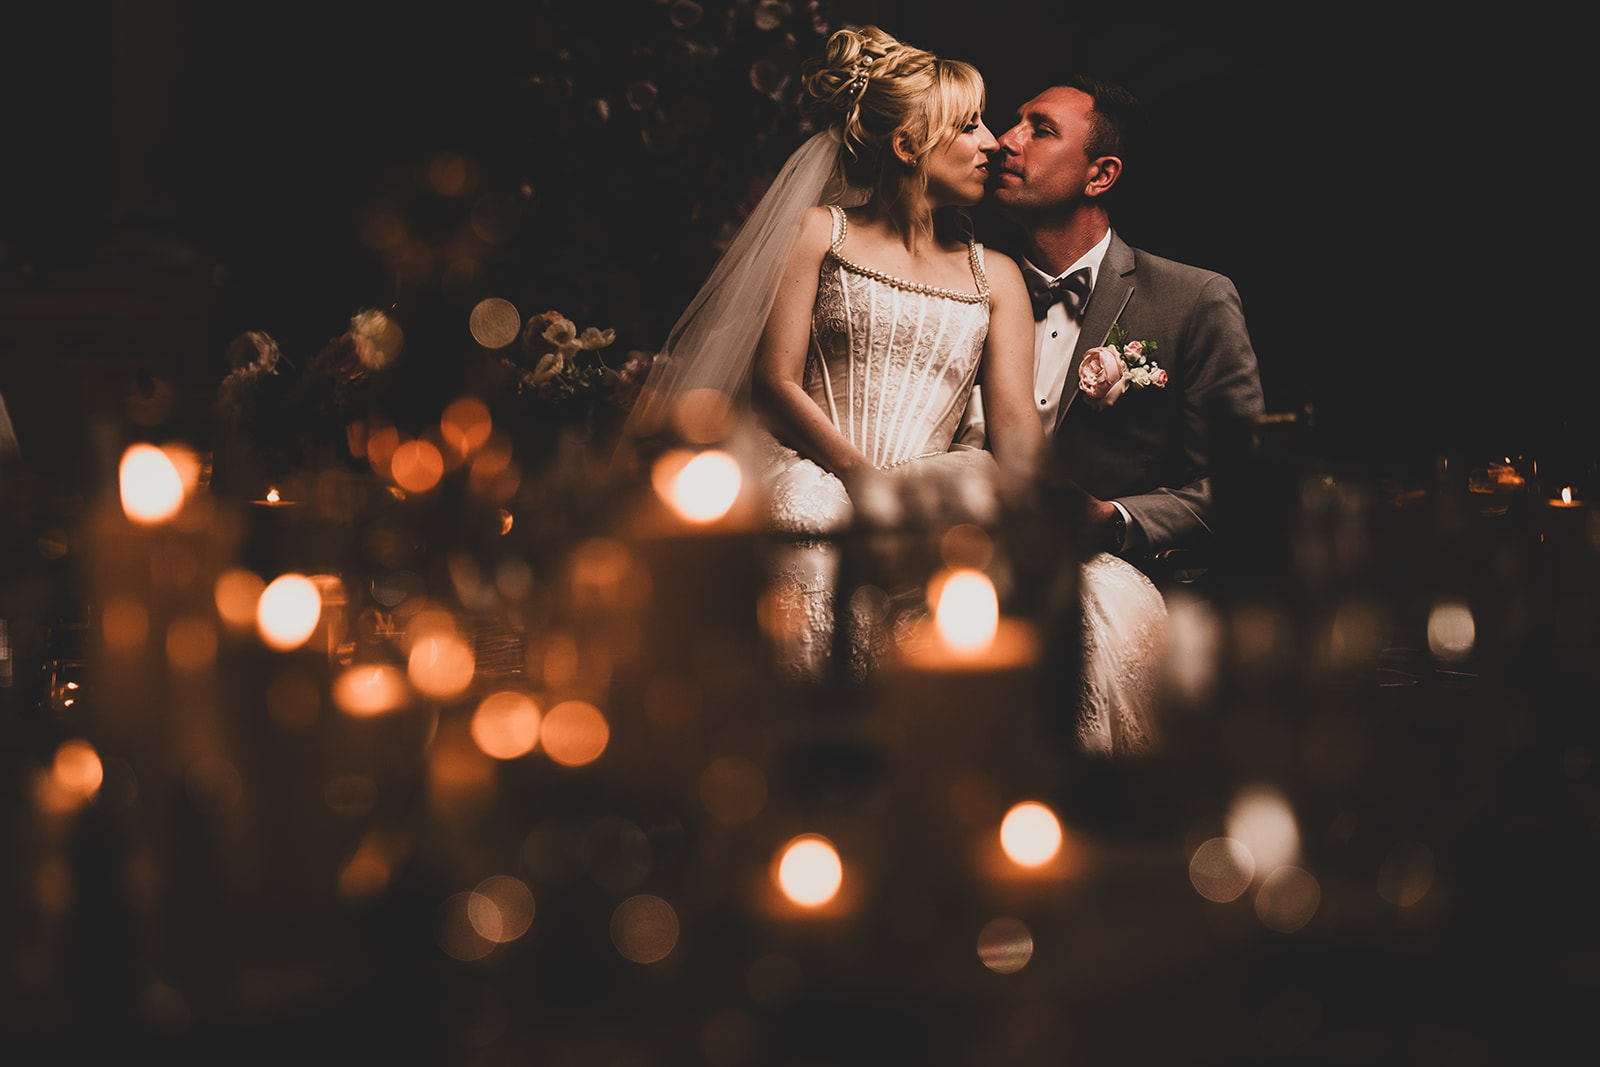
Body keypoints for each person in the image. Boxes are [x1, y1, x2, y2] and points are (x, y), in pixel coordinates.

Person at [623, 26, 1044, 684]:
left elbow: (1016, 421)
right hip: (819, 468)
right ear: (906, 145)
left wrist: (1035, 511)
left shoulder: (998, 274)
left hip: (936, 488)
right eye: (969, 127)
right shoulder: (821, 232)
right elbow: (774, 382)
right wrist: (863, 479)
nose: (992, 143)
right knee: (807, 534)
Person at [964, 75, 1265, 755]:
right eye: (1013, 121)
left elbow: (1241, 486)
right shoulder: (964, 288)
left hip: (1120, 604)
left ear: (1100, 175)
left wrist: (1115, 518)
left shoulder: (1194, 299)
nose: (1004, 141)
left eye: (1039, 129)